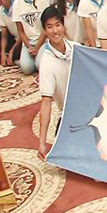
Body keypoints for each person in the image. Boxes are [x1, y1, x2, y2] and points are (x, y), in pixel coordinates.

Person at [35, 9, 74, 158]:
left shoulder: (76, 48)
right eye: (49, 27)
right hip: (67, 114)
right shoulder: (46, 63)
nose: (55, 30)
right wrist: (42, 142)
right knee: (66, 155)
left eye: (58, 25)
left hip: (88, 108)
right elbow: (46, 102)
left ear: (63, 26)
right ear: (45, 31)